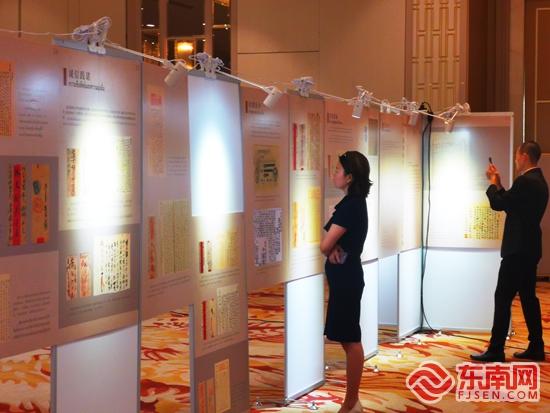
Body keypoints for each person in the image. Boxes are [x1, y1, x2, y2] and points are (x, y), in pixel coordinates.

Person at [471, 141, 548, 363]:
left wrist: (492, 184)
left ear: (524, 156)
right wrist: (499, 184)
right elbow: (511, 204)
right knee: (528, 297)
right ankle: (536, 346)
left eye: (517, 155)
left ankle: (496, 348)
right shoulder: (539, 181)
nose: (515, 160)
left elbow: (498, 204)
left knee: (503, 297)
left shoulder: (525, 181)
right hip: (530, 249)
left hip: (517, 250)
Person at [320, 151, 372, 413]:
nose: (334, 174)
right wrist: (332, 247)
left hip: (347, 280)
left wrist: (330, 247)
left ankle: (351, 402)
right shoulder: (352, 203)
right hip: (345, 278)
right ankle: (352, 401)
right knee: (347, 338)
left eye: (338, 170)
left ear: (349, 177)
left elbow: (324, 244)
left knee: (351, 340)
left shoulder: (352, 205)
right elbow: (331, 241)